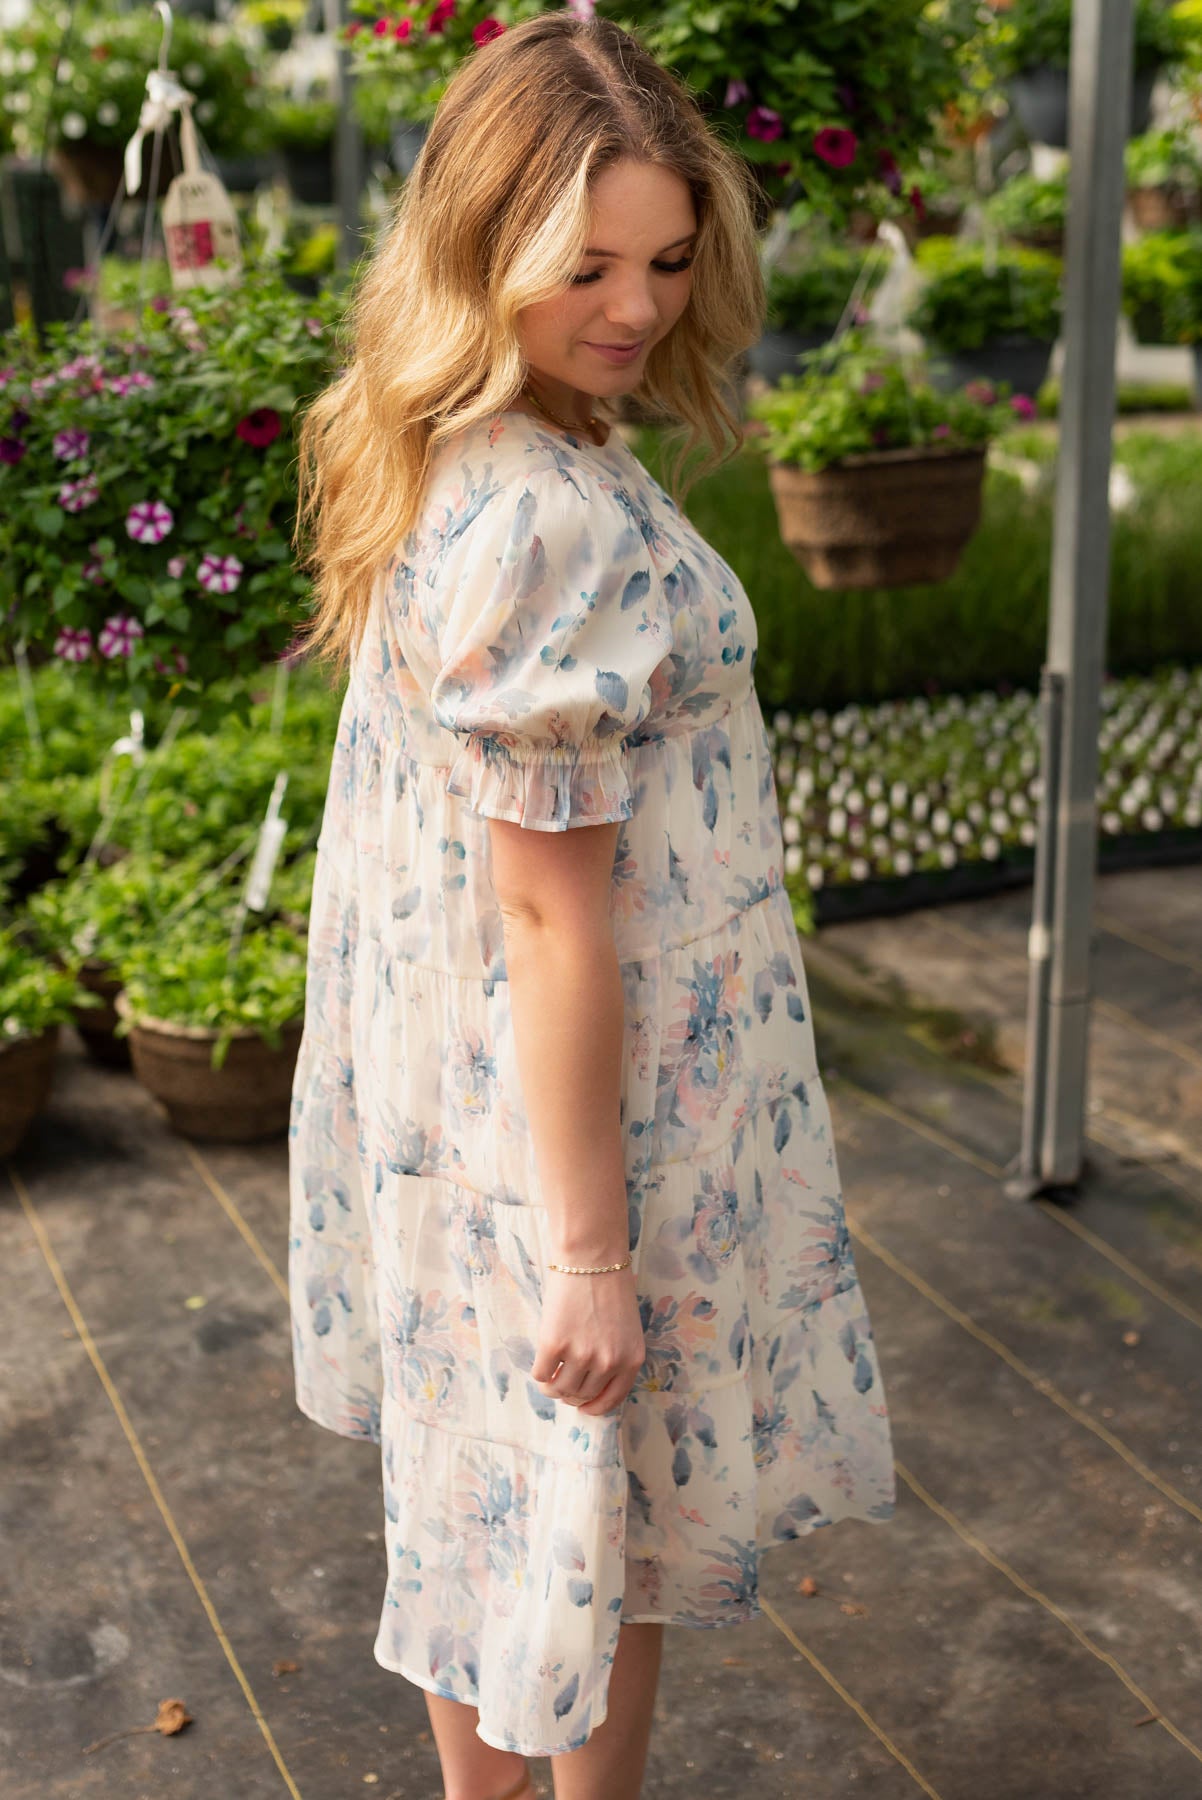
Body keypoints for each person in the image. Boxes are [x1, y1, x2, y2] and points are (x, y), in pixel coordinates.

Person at [287, 13, 896, 1800]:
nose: (632, 307)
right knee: (574, 1511)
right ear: (480, 253)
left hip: (476, 1095)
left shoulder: (458, 454)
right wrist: (591, 1251)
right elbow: (551, 915)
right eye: (585, 268)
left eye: (666, 259)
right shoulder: (544, 519)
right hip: (582, 1115)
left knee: (505, 1506)